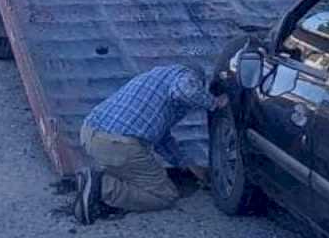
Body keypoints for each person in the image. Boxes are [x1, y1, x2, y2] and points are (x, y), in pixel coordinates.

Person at [74, 63, 228, 225]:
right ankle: (103, 186)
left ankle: (94, 182)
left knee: (135, 176)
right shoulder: (186, 76)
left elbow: (161, 139)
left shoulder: (156, 78)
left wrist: (187, 164)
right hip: (117, 144)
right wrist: (215, 102)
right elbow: (185, 90)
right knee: (165, 195)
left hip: (90, 134)